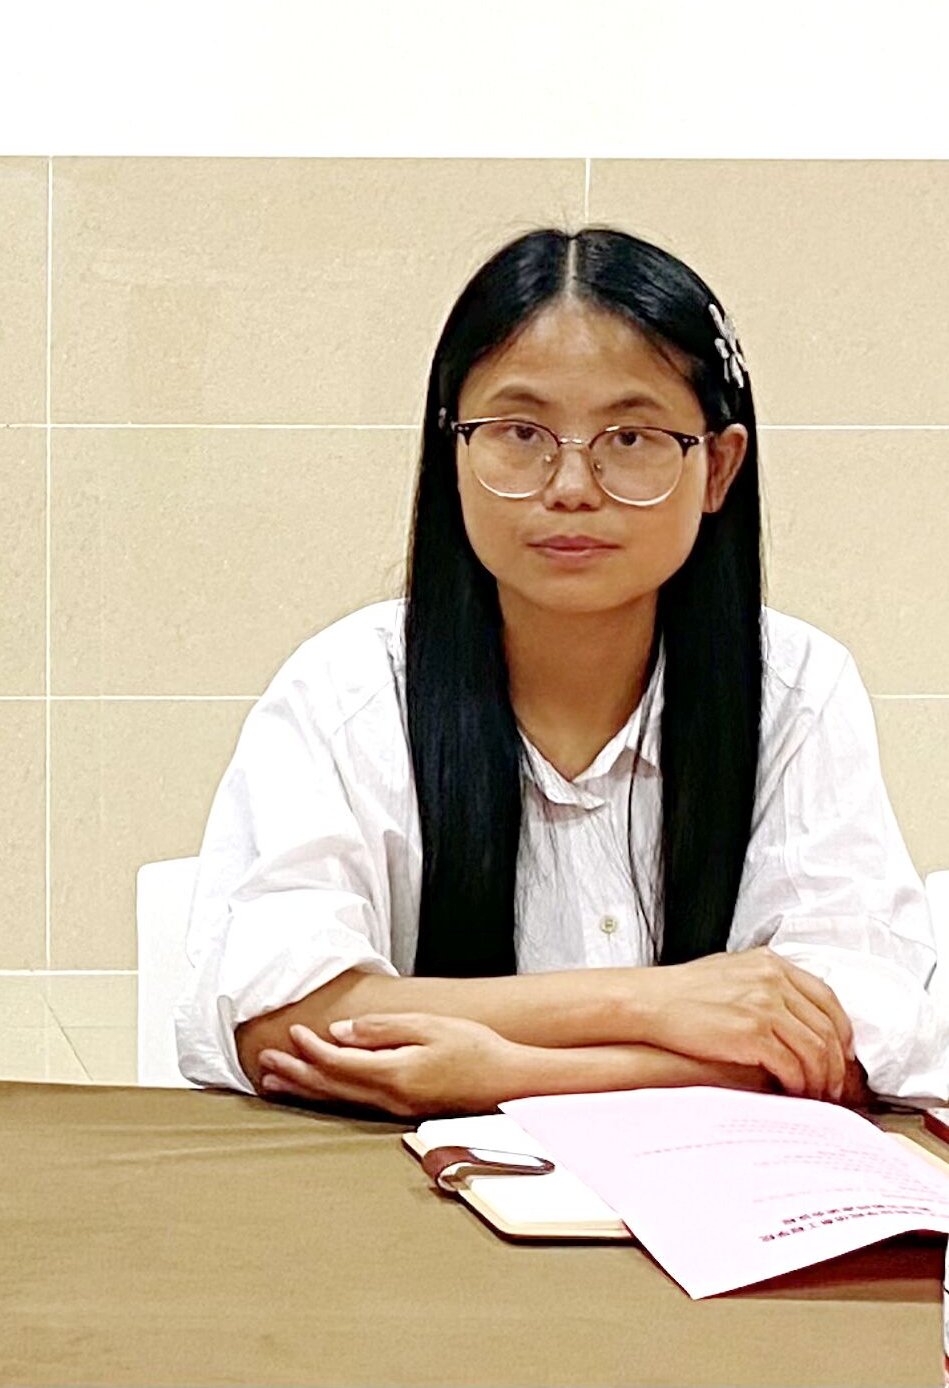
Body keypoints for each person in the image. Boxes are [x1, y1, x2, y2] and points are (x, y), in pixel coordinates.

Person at [177, 225, 945, 1113]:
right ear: (452, 453)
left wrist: (507, 1074)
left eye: (632, 437)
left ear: (718, 468)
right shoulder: (347, 689)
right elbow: (281, 1023)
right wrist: (653, 1003)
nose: (572, 485)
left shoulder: (796, 692)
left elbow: (855, 1040)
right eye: (521, 432)